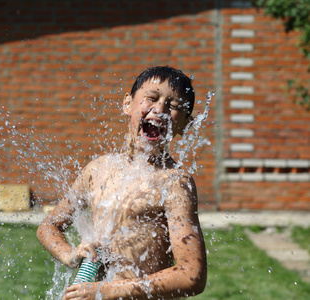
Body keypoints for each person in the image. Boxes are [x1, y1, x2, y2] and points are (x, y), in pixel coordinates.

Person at [37, 66, 207, 300]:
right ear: (128, 103)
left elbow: (191, 275)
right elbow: (49, 226)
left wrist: (108, 291)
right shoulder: (97, 170)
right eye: (152, 97)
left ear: (185, 126)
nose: (160, 109)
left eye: (174, 106)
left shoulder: (174, 183)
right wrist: (69, 254)